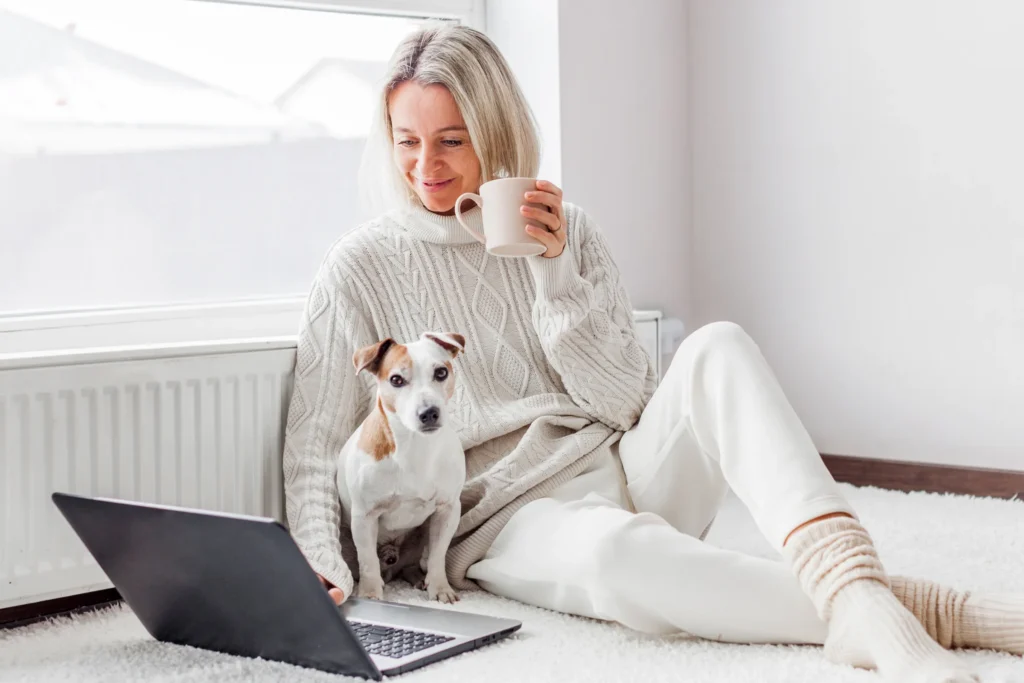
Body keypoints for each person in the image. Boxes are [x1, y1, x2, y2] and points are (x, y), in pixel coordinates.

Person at [282, 24, 1022, 683]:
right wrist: (322, 558)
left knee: (717, 347)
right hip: (503, 517)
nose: (425, 167)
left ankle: (855, 590)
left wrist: (555, 276)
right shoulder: (360, 266)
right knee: (620, 561)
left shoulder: (566, 230)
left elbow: (627, 401)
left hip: (625, 462)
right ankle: (925, 611)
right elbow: (316, 440)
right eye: (406, 140)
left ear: (494, 130)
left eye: (450, 140)